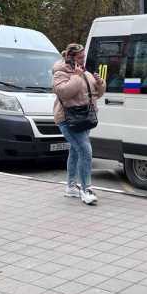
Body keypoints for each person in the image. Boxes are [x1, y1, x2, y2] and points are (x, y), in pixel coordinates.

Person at [53, 43, 105, 205]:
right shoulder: (60, 73)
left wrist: (100, 83)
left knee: (76, 151)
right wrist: (76, 76)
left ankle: (70, 187)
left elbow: (96, 94)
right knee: (85, 150)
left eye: (83, 57)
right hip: (68, 119)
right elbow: (64, 92)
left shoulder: (84, 72)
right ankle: (86, 189)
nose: (83, 60)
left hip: (84, 118)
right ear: (70, 57)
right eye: (80, 57)